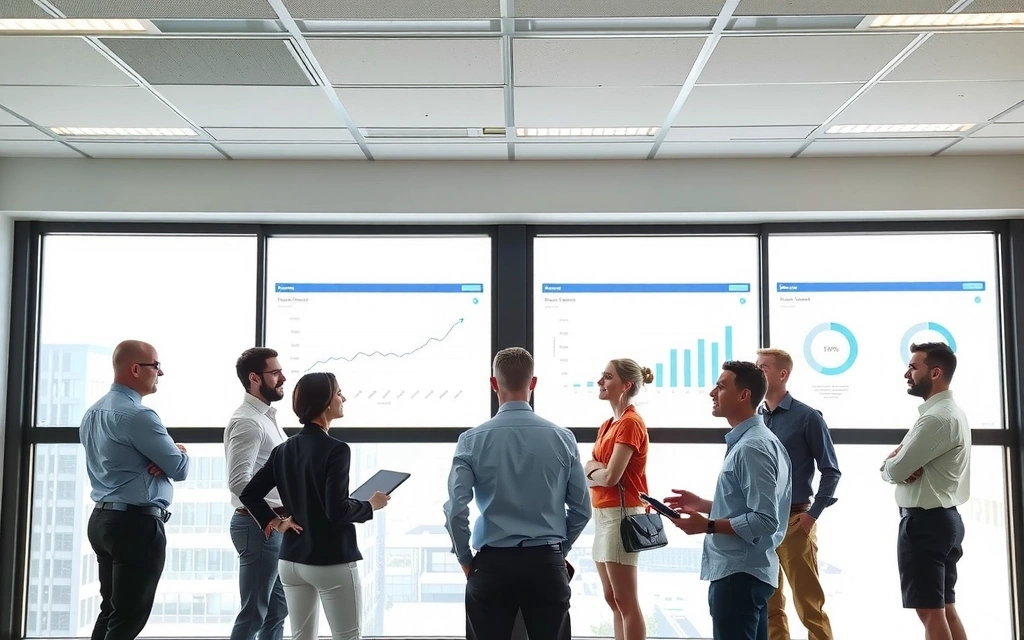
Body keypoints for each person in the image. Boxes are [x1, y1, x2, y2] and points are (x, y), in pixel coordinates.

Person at [443, 347, 592, 640]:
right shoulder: (563, 438)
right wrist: (560, 551)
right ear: (533, 383)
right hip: (546, 564)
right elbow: (582, 510)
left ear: (493, 383)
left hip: (491, 566)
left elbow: (455, 511)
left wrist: (466, 560)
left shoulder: (471, 441)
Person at [240, 372, 390, 640]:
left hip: (291, 561)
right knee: (348, 637)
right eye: (338, 393)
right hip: (330, 559)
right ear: (324, 402)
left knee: (301, 637)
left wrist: (277, 522)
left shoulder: (283, 450)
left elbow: (249, 493)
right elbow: (337, 510)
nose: (343, 398)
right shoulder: (337, 449)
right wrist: (370, 506)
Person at [665, 360, 791, 640]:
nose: (712, 392)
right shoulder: (759, 441)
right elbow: (752, 506)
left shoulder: (752, 447)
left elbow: (765, 520)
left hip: (739, 576)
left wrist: (707, 525)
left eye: (721, 386)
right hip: (748, 574)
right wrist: (704, 505)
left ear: (744, 395)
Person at [81, 340, 190, 640]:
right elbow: (179, 469)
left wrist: (165, 456)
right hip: (135, 526)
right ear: (135, 369)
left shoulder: (92, 412)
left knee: (112, 611)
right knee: (127, 619)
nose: (160, 373)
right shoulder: (139, 416)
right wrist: (178, 452)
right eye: (156, 366)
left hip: (103, 521)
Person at [880, 342, 970, 640]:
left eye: (913, 367)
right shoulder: (951, 412)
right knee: (944, 608)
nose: (907, 373)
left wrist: (891, 463)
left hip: (926, 524)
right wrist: (898, 462)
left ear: (935, 372)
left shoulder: (934, 419)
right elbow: (901, 466)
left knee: (930, 612)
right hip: (945, 520)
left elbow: (895, 470)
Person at [755, 348, 840, 640]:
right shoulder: (756, 419)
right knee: (770, 606)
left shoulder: (807, 417)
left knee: (809, 607)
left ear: (783, 374)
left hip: (795, 522)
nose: (758, 372)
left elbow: (831, 471)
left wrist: (811, 516)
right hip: (762, 525)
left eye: (763, 367)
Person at [584, 359, 654, 640]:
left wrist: (593, 469)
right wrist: (594, 470)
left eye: (607, 377)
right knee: (612, 599)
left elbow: (610, 476)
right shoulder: (608, 425)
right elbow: (591, 471)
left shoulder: (630, 423)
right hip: (604, 515)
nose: (601, 381)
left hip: (621, 515)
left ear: (626, 385)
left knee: (625, 601)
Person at [225, 348, 289, 640]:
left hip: (271, 526)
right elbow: (239, 481)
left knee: (277, 611)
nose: (282, 377)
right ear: (254, 378)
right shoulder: (248, 421)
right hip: (258, 526)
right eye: (274, 373)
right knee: (254, 614)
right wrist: (271, 520)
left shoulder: (267, 417)